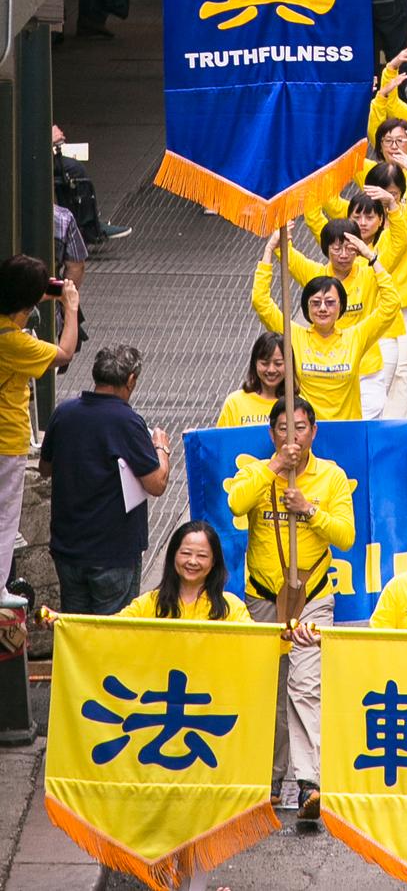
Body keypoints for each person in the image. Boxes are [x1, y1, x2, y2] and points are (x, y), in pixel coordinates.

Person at [228, 397, 355, 818]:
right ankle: (268, 780)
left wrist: (309, 511)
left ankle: (308, 783)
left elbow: (346, 536)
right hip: (263, 597)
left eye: (300, 428)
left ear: (314, 431)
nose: (292, 437)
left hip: (313, 595)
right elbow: (235, 504)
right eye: (283, 428)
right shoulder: (258, 472)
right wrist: (275, 469)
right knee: (269, 688)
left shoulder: (331, 476)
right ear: (272, 433)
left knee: (304, 685)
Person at [39, 345, 169, 614]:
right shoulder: (127, 421)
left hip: (68, 548)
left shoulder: (64, 413)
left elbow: (45, 468)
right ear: (131, 379)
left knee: (75, 632)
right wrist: (161, 448)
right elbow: (156, 483)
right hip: (113, 552)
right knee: (112, 636)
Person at [251, 232, 401, 419]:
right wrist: (268, 251)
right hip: (307, 435)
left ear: (341, 308)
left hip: (347, 434)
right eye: (316, 303)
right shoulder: (294, 336)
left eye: (330, 302)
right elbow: (261, 302)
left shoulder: (356, 336)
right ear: (306, 307)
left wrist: (371, 257)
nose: (322, 309)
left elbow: (391, 304)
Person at [0, 257, 79, 599]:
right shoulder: (15, 343)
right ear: (28, 302)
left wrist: (40, 293)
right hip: (6, 440)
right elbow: (64, 353)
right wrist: (70, 308)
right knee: (5, 517)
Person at [120, 520, 250, 621]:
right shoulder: (148, 604)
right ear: (173, 555)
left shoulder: (232, 608)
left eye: (202, 556)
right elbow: (111, 629)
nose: (192, 561)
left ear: (213, 562)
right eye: (186, 553)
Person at [216, 331, 287, 426]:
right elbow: (221, 439)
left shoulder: (298, 404)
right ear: (255, 363)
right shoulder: (235, 403)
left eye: (278, 363)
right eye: (265, 363)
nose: (271, 370)